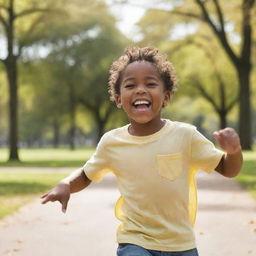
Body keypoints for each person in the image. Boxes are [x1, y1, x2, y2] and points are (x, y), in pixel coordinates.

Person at [41, 46, 243, 256]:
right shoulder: (112, 142)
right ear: (119, 98)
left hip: (180, 243)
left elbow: (228, 169)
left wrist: (234, 151)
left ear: (166, 97)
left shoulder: (185, 136)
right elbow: (86, 175)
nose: (140, 89)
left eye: (150, 84)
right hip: (135, 240)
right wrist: (65, 184)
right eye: (130, 85)